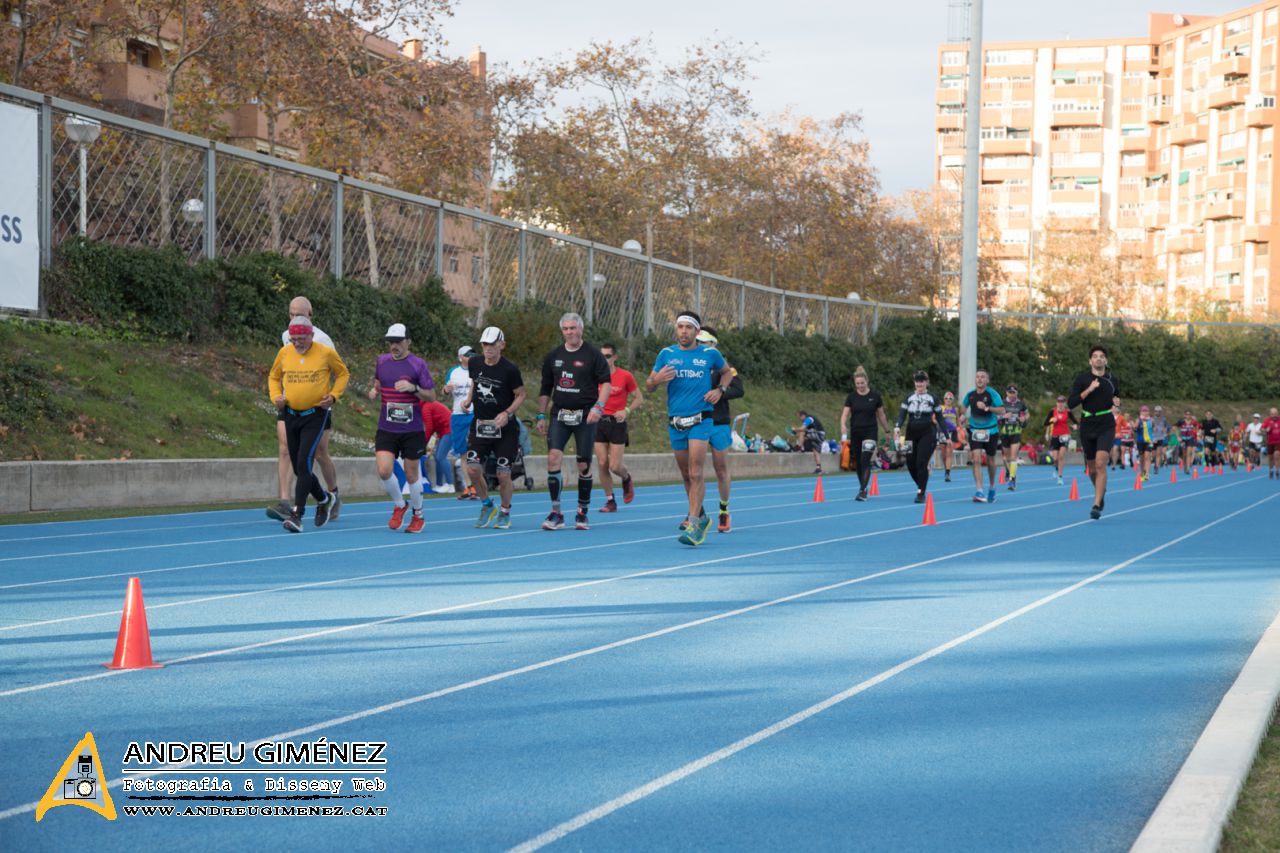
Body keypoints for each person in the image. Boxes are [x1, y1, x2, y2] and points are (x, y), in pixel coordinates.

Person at [646, 310, 732, 546]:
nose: (684, 331)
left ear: (697, 331)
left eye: (688, 328)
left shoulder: (709, 354)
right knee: (686, 475)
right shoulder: (666, 354)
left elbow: (727, 373)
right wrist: (657, 380)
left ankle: (693, 523)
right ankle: (701, 516)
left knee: (696, 472)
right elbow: (649, 385)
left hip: (701, 419)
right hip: (676, 421)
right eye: (680, 327)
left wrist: (719, 390)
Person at [268, 316, 349, 533]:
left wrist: (333, 396)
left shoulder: (325, 353)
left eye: (301, 339)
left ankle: (297, 515)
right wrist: (276, 397)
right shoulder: (285, 353)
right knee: (298, 466)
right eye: (294, 339)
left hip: (315, 414)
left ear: (311, 336)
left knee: (304, 461)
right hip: (291, 414)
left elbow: (343, 374)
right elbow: (274, 377)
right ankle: (324, 499)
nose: (297, 343)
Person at [536, 313, 611, 531]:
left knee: (583, 464)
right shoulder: (553, 356)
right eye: (566, 329)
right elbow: (545, 388)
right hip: (559, 414)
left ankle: (582, 511)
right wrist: (541, 414)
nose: (570, 332)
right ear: (562, 332)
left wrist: (599, 407)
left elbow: (605, 383)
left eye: (573, 328)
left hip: (585, 415)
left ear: (581, 329)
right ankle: (556, 512)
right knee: (553, 458)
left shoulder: (593, 355)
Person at [367, 324, 435, 533]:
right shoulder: (382, 361)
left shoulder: (418, 365)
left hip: (411, 428)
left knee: (412, 473)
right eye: (391, 342)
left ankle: (418, 515)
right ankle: (399, 505)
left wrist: (413, 388)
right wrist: (374, 390)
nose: (394, 346)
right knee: (384, 469)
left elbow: (432, 396)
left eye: (398, 341)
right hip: (387, 427)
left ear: (408, 342)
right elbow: (379, 381)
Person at [463, 326, 526, 529]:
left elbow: (521, 394)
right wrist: (468, 399)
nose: (488, 348)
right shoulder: (475, 362)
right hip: (481, 425)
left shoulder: (510, 369)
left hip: (505, 429)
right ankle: (487, 505)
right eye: (484, 344)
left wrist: (507, 413)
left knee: (503, 474)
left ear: (502, 345)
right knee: (472, 469)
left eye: (492, 344)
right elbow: (475, 382)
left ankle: (505, 511)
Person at [1067, 345, 1120, 520]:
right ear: (1090, 361)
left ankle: (1097, 504)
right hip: (1087, 423)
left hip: (1106, 423)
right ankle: (1100, 490)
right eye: (1095, 356)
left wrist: (1117, 403)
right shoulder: (1082, 379)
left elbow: (1116, 400)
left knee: (1100, 463)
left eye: (1102, 356)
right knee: (1091, 468)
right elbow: (1071, 403)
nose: (1098, 359)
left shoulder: (1112, 380)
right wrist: (1089, 389)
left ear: (1106, 360)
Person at [699, 328, 744, 532]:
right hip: (696, 421)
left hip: (718, 422)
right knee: (693, 470)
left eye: (704, 342)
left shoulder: (725, 368)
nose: (700, 345)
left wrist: (719, 392)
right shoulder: (691, 364)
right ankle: (695, 512)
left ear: (713, 345)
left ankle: (724, 511)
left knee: (720, 468)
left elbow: (739, 390)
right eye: (698, 342)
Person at [593, 342, 642, 513]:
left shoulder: (625, 376)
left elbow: (639, 398)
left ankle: (626, 478)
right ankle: (610, 501)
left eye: (607, 356)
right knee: (602, 463)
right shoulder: (594, 375)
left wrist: (626, 410)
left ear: (614, 357)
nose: (604, 359)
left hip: (617, 423)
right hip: (599, 422)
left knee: (614, 466)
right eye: (601, 356)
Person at [839, 366, 892, 501]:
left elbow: (881, 416)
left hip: (870, 432)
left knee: (865, 459)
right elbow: (845, 414)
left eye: (862, 383)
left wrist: (887, 431)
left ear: (867, 381)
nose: (860, 386)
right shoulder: (851, 397)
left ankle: (862, 491)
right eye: (857, 384)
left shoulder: (875, 396)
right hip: (856, 432)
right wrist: (843, 425)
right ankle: (863, 487)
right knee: (858, 462)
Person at [894, 370, 943, 503]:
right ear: (914, 383)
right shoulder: (908, 397)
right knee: (910, 463)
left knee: (921, 462)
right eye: (917, 381)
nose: (919, 383)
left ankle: (921, 492)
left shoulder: (933, 398)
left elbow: (940, 418)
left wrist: (947, 435)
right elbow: (902, 415)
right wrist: (897, 426)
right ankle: (921, 484)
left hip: (928, 433)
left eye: (922, 381)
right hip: (911, 433)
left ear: (926, 382)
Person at [961, 369, 1005, 504]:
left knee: (991, 460)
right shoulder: (970, 395)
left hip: (991, 431)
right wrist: (962, 415)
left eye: (982, 377)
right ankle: (979, 490)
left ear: (987, 380)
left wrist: (988, 408)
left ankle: (992, 487)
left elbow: (1002, 410)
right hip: (975, 431)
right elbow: (962, 408)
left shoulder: (992, 394)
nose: (979, 379)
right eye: (978, 377)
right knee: (976, 459)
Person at [444, 346, 477, 500]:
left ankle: (477, 486)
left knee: (475, 451)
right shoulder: (453, 372)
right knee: (463, 453)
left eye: (473, 354)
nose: (471, 356)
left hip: (475, 414)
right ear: (460, 357)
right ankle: (468, 487)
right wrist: (446, 389)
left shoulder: (479, 369)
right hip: (457, 415)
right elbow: (445, 390)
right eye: (467, 354)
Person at [998, 384, 1029, 490]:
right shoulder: (1001, 403)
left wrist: (1024, 418)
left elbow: (1027, 413)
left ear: (1017, 393)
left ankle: (1012, 479)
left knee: (1013, 456)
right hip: (1005, 432)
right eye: (1010, 393)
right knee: (1005, 458)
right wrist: (1003, 416)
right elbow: (995, 416)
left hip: (1016, 432)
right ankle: (1008, 471)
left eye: (1014, 393)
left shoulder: (1020, 403)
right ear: (1006, 393)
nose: (1012, 395)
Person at [1043, 395, 1077, 485]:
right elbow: (1045, 423)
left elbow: (1076, 422)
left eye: (1062, 402)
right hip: (1055, 436)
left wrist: (1075, 426)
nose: (1060, 404)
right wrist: (1052, 421)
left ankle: (1060, 477)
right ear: (1056, 403)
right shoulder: (1052, 411)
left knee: (1061, 456)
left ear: (1064, 403)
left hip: (1065, 435)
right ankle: (1056, 468)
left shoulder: (1068, 412)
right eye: (1059, 402)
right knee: (1055, 458)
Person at [938, 391, 962, 481]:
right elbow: (934, 419)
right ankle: (946, 469)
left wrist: (960, 428)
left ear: (952, 400)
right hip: (942, 432)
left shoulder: (955, 409)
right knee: (944, 455)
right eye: (946, 398)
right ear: (944, 399)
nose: (948, 400)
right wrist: (940, 422)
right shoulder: (940, 408)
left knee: (949, 453)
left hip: (952, 432)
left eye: (950, 398)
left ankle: (948, 473)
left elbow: (958, 421)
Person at [796, 410, 827, 474]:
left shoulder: (809, 419)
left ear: (803, 416)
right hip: (819, 435)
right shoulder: (809, 421)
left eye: (800, 418)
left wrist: (794, 429)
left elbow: (802, 429)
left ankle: (800, 447)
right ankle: (818, 468)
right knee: (816, 451)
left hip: (819, 434)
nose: (800, 419)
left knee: (802, 432)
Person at [1135, 405, 1156, 481]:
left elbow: (1154, 428)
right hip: (1140, 441)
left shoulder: (1151, 420)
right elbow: (1135, 428)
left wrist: (1154, 430)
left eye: (1146, 411)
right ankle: (1142, 472)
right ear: (1140, 412)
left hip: (1148, 441)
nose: (1144, 412)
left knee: (1147, 456)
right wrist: (1135, 425)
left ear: (1148, 412)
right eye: (1143, 411)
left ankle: (1147, 473)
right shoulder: (1138, 419)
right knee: (1141, 458)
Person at [1176, 410, 1200, 474]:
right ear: (1184, 415)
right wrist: (1178, 436)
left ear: (1191, 415)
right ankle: (1185, 465)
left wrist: (1196, 433)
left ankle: (1188, 468)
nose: (1188, 415)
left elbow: (1198, 428)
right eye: (1186, 414)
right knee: (1184, 454)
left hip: (1190, 438)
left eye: (1189, 414)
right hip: (1183, 439)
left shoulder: (1194, 422)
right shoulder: (1181, 422)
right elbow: (1175, 428)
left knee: (1189, 453)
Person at [1150, 405, 1171, 474]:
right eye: (1156, 411)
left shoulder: (1163, 419)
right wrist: (1152, 428)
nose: (1157, 413)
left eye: (1159, 411)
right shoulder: (1151, 419)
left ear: (1161, 412)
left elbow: (1169, 426)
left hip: (1160, 438)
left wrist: (1166, 429)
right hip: (1153, 438)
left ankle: (1156, 467)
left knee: (1159, 453)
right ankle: (1155, 462)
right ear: (1154, 412)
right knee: (1153, 455)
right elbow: (1147, 427)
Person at [1263, 408, 1280, 479]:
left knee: (1277, 455)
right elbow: (1262, 429)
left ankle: (1277, 471)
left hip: (1278, 441)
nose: (1274, 415)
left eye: (1275, 413)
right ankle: (1271, 470)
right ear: (1270, 414)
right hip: (1270, 442)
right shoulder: (1267, 420)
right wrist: (1266, 430)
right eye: (1272, 414)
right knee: (1270, 458)